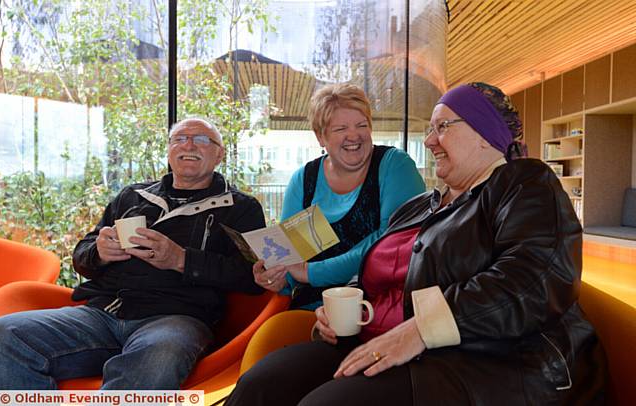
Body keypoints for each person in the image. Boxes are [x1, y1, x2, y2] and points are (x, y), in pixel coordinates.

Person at [225, 83, 607, 405]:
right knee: (260, 386)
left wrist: (419, 329)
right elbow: (390, 276)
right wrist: (345, 311)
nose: (429, 141)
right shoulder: (424, 205)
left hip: (484, 361)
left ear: (484, 131)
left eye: (442, 126)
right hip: (385, 340)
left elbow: (534, 281)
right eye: (430, 129)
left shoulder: (523, 183)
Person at [0, 118, 266, 389]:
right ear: (169, 150)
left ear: (220, 154)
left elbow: (251, 277)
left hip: (176, 318)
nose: (189, 144)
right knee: (4, 334)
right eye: (180, 138)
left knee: (158, 357)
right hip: (102, 313)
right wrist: (99, 252)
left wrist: (182, 259)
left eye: (202, 139)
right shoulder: (133, 196)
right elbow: (82, 255)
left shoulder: (239, 207)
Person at [253, 83, 425, 309]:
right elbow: (290, 262)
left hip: (378, 307)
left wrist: (310, 272)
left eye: (361, 125)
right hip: (313, 308)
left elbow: (391, 243)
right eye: (340, 128)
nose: (353, 135)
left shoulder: (394, 165)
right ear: (320, 137)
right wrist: (277, 278)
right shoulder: (303, 180)